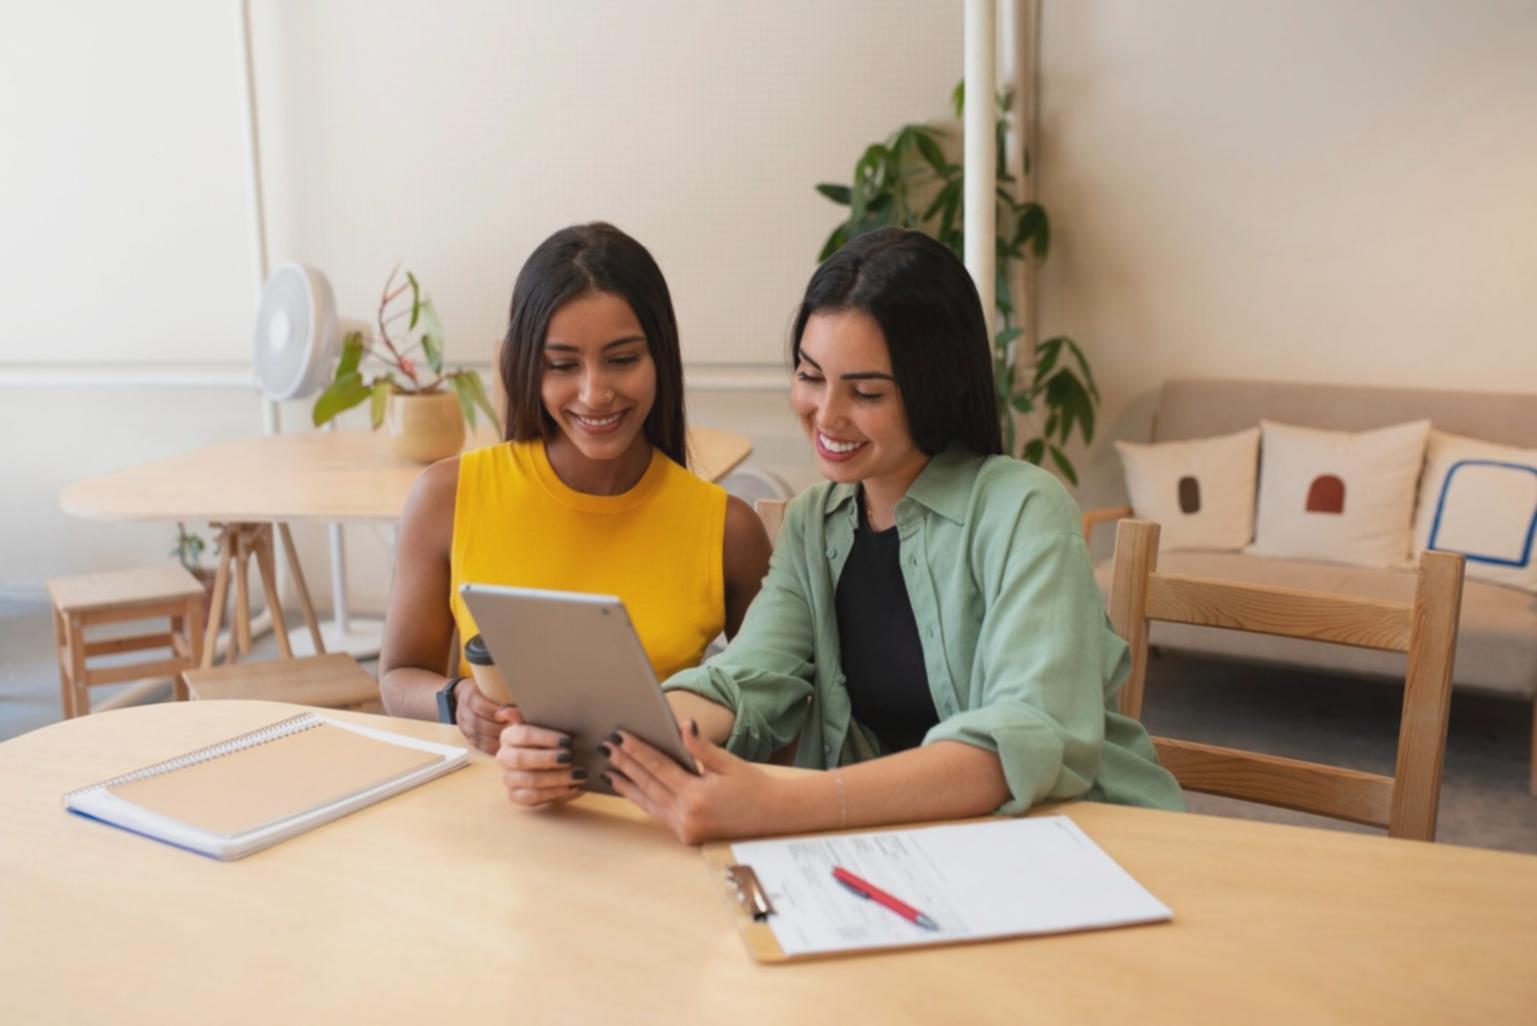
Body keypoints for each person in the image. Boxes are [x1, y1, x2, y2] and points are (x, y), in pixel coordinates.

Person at [495, 227, 1184, 838]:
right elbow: (745, 679)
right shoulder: (815, 523)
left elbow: (1023, 738)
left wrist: (780, 804)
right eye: (809, 376)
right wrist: (600, 741)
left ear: (935, 388)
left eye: (866, 392)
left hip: (1080, 845)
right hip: (910, 849)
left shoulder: (1022, 509)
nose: (825, 415)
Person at [379, 223, 772, 755]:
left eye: (623, 359)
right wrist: (457, 700)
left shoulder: (728, 530)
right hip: (493, 794)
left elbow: (774, 704)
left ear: (660, 357)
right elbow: (397, 678)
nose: (594, 393)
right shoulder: (446, 497)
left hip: (654, 798)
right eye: (563, 365)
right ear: (529, 367)